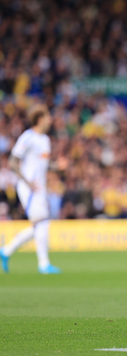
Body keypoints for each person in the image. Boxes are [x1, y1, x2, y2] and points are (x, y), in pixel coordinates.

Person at [0, 104, 61, 274]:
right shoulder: (28, 137)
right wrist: (27, 182)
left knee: (40, 224)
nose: (50, 120)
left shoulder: (45, 140)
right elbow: (13, 161)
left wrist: (58, 166)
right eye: (48, 116)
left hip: (39, 187)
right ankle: (43, 265)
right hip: (29, 187)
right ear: (40, 119)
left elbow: (45, 164)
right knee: (42, 222)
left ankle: (6, 251)